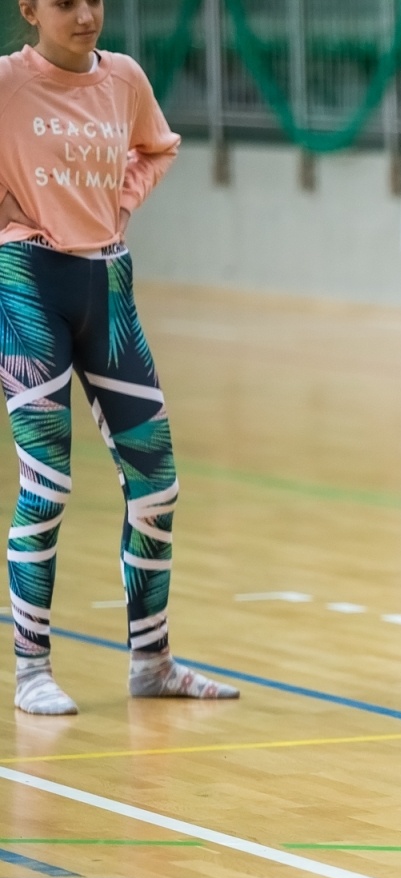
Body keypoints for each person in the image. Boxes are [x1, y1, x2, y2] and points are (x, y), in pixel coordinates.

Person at [0, 0, 238, 714]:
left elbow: (157, 147)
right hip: (26, 281)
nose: (86, 15)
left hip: (108, 280)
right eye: (67, 3)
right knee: (47, 484)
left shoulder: (124, 79)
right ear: (31, 10)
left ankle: (151, 662)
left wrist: (117, 206)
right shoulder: (8, 83)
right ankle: (31, 670)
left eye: (95, 1)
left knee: (157, 484)